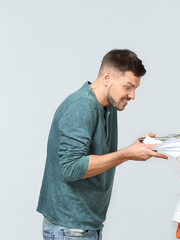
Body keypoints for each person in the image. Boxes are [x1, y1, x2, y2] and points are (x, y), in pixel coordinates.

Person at [37, 49, 167, 240]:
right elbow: (71, 169)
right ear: (107, 77)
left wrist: (136, 147)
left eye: (135, 89)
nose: (132, 96)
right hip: (70, 228)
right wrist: (127, 153)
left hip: (85, 225)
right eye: (128, 87)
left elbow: (97, 156)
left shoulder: (108, 105)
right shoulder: (81, 106)